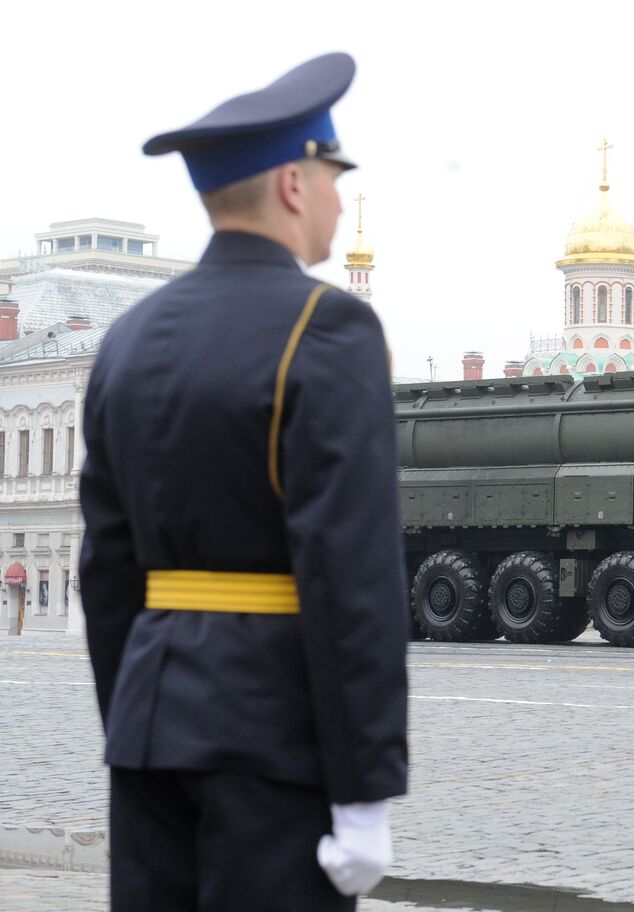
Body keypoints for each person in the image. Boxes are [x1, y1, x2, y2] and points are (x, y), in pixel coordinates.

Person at [80, 53, 408, 911]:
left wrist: (138, 719)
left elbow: (107, 567)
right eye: (334, 174)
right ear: (295, 185)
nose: (340, 196)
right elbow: (352, 570)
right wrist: (365, 788)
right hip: (271, 740)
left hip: (151, 730)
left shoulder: (129, 339)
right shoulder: (329, 327)